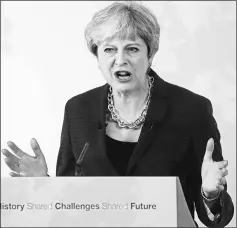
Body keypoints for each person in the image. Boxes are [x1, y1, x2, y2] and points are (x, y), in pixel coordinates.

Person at [1, 1, 234, 227]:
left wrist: (210, 193)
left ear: (150, 54)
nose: (120, 60)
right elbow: (70, 203)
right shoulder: (78, 109)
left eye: (132, 49)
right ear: (98, 57)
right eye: (109, 49)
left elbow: (216, 220)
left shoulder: (192, 110)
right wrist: (45, 185)